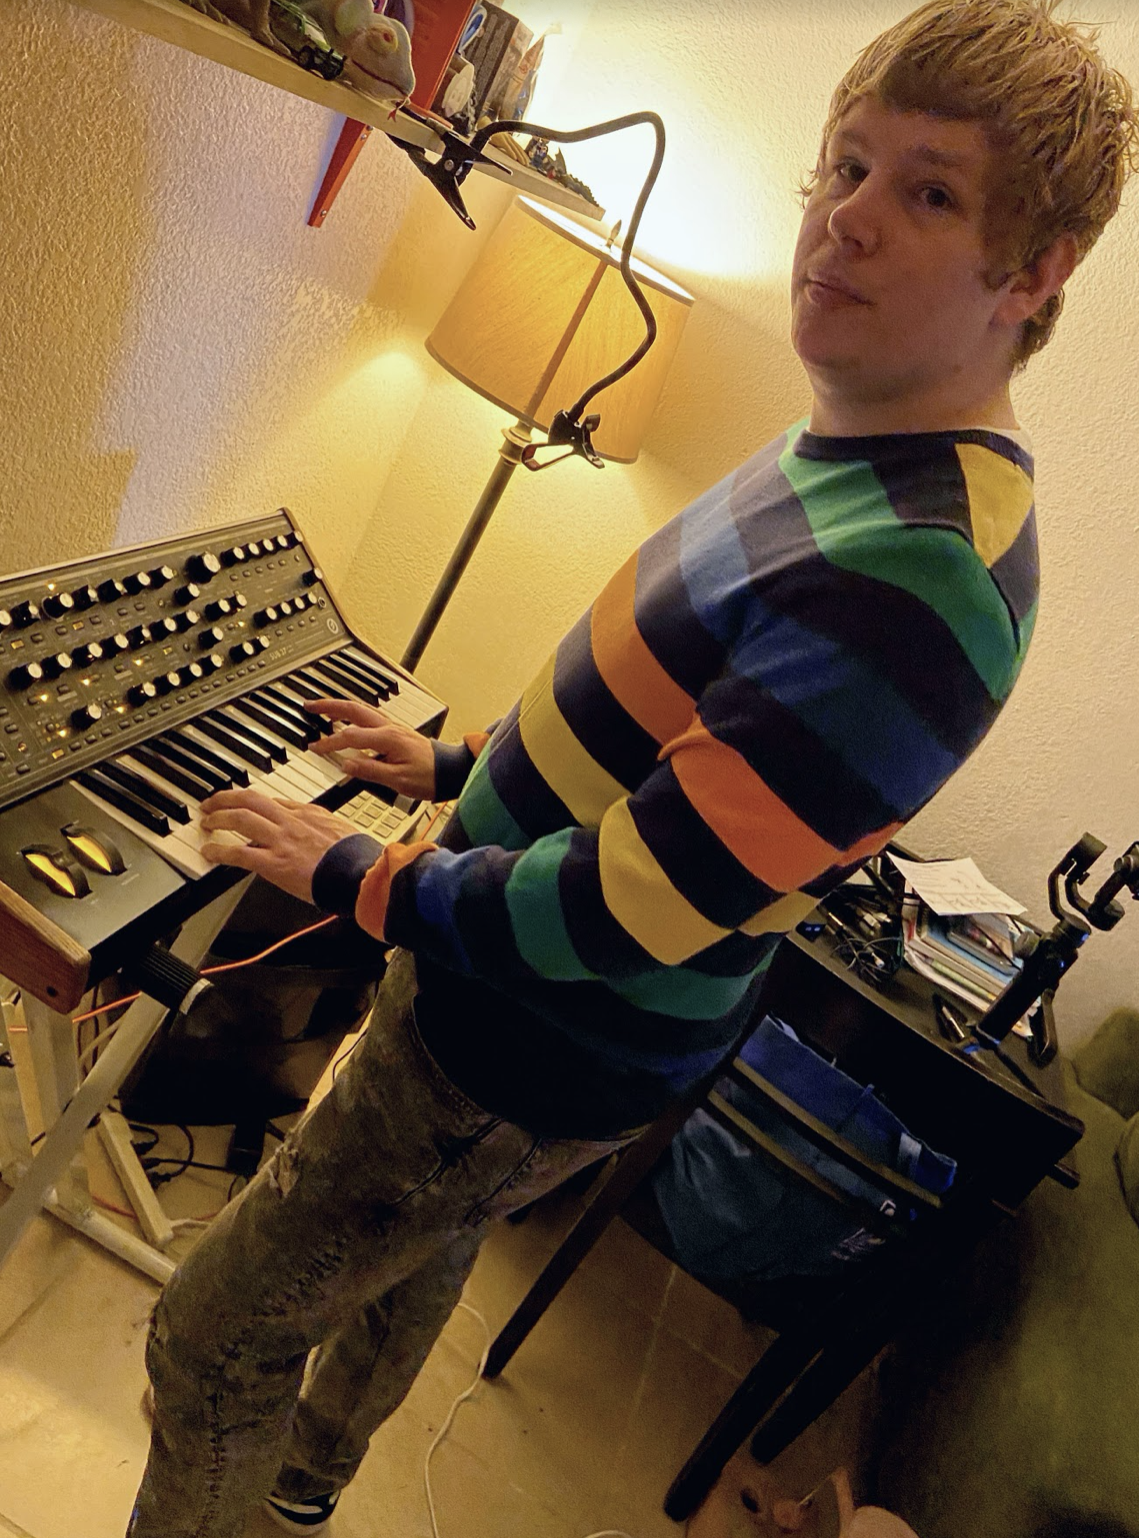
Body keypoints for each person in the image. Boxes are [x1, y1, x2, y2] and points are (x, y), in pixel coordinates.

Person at [126, 3, 1137, 1534]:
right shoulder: (856, 436)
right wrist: (454, 755)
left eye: (925, 192)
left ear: (1032, 272)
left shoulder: (916, 575)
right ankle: (304, 1491)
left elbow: (622, 910)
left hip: (532, 1037)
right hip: (519, 1020)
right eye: (842, 168)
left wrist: (358, 874)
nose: (842, 223)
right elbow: (667, 729)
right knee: (421, 1254)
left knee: (210, 1331)